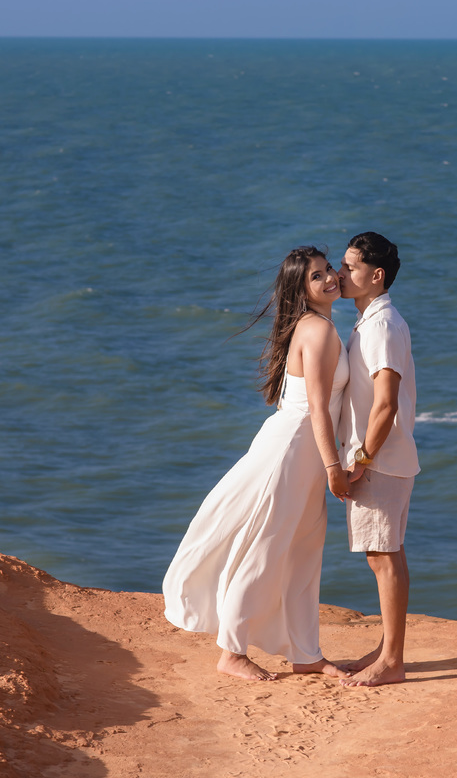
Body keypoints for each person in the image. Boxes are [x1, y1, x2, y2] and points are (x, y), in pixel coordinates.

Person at [163, 247, 352, 681]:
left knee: (305, 551)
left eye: (328, 271)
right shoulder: (319, 332)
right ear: (301, 290)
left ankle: (306, 653)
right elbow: (319, 410)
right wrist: (333, 467)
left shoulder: (319, 324)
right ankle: (231, 651)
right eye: (317, 277)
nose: (329, 280)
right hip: (294, 452)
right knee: (266, 547)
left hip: (301, 449)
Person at [334, 232, 419, 687]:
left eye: (350, 268)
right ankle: (388, 650)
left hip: (381, 460)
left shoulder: (382, 326)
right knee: (386, 553)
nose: (340, 275)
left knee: (383, 556)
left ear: (376, 275)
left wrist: (362, 459)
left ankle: (393, 662)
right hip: (388, 457)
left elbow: (384, 403)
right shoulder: (373, 320)